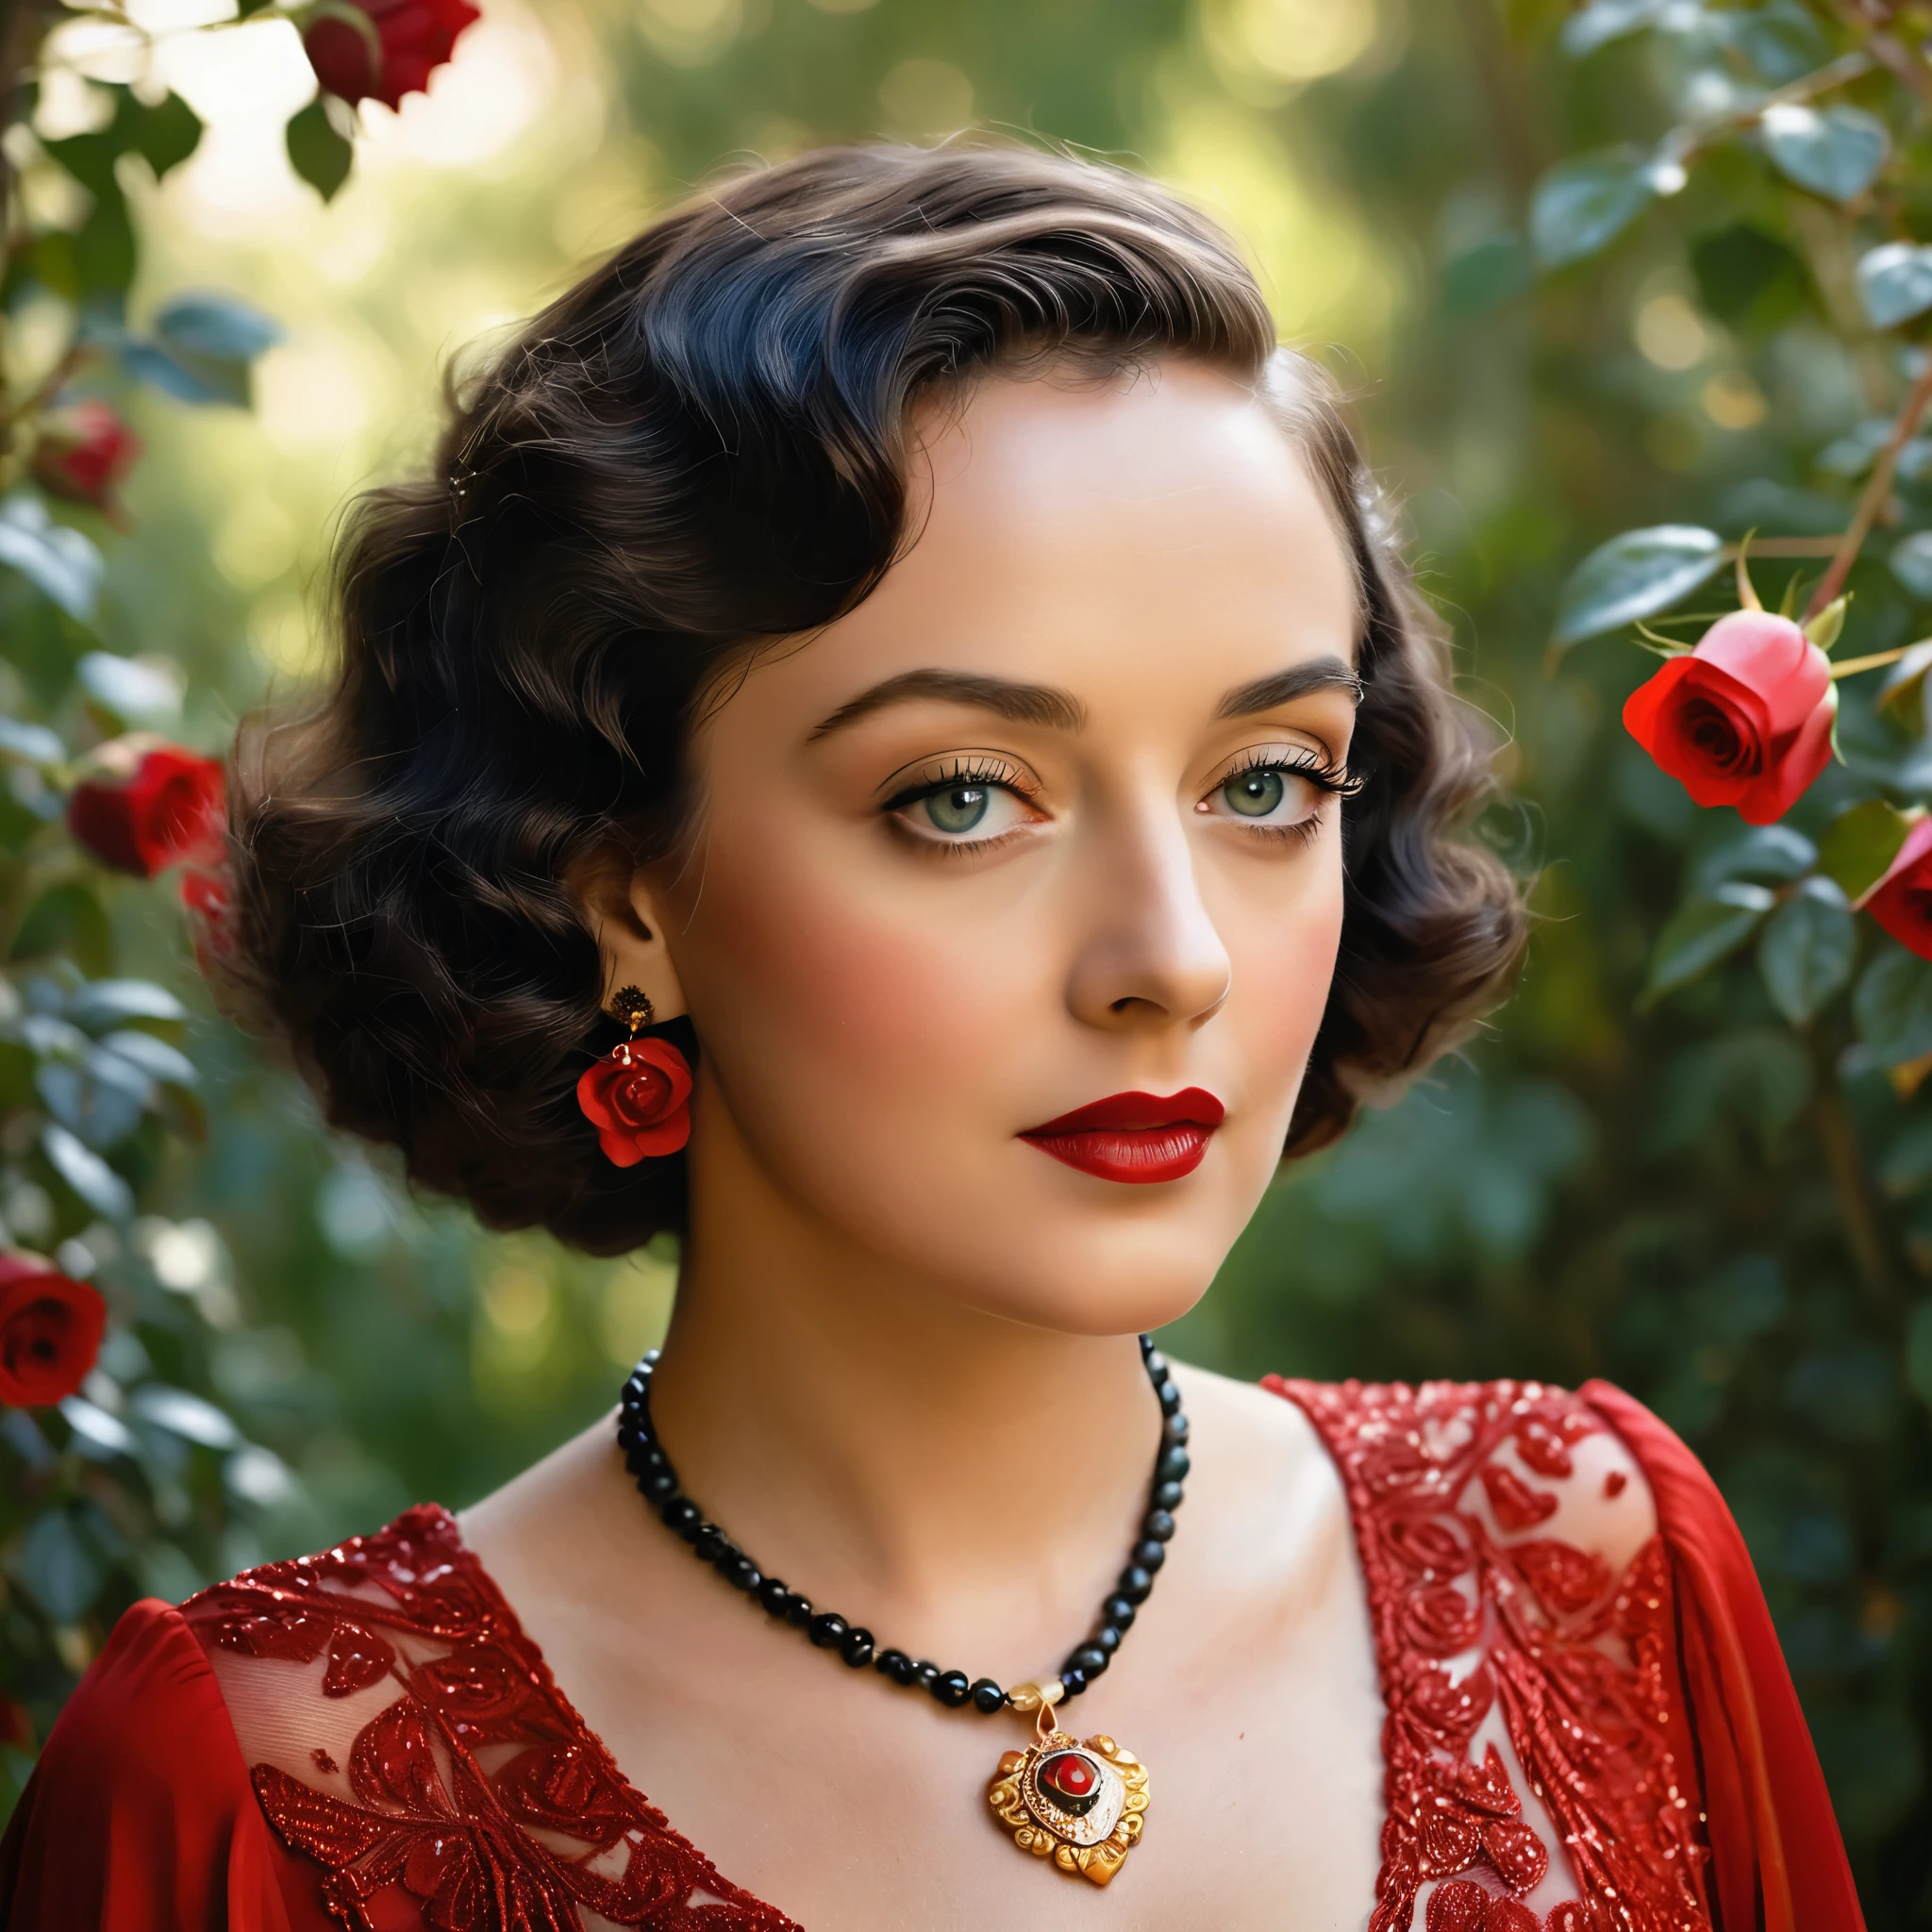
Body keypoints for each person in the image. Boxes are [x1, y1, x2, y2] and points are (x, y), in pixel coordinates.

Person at [0, 142, 1863, 1932]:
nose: (1172, 956)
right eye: (965, 797)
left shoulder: (1603, 1574)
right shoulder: (253, 1789)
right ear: (617, 883)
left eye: (1268, 778)